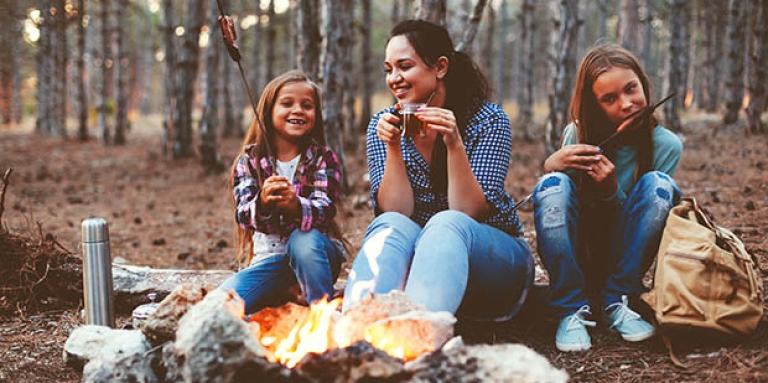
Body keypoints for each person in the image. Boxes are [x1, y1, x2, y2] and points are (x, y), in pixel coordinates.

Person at [342, 19, 534, 321]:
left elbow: (469, 211)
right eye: (388, 69)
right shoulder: (383, 123)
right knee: (389, 223)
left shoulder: (487, 120)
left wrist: (454, 143)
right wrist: (393, 147)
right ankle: (356, 327)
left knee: (446, 224)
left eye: (404, 66)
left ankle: (420, 334)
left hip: (495, 267)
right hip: (421, 271)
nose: (394, 78)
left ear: (440, 67)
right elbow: (396, 212)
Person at [533, 43, 683, 352]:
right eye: (609, 99)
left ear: (643, 84)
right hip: (579, 253)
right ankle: (570, 307)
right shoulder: (578, 136)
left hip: (625, 259)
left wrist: (612, 192)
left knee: (659, 184)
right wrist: (549, 167)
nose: (627, 104)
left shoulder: (666, 145)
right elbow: (560, 212)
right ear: (594, 105)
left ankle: (618, 300)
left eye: (631, 89)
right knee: (554, 184)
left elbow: (649, 222)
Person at [219, 70, 345, 314]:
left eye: (307, 105)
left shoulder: (322, 158)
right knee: (221, 305)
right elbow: (244, 215)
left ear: (316, 115)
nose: (298, 110)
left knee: (303, 240)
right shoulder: (250, 162)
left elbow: (325, 209)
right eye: (287, 103)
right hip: (268, 264)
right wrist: (263, 202)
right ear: (268, 111)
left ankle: (322, 316)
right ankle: (283, 291)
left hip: (315, 257)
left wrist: (296, 206)